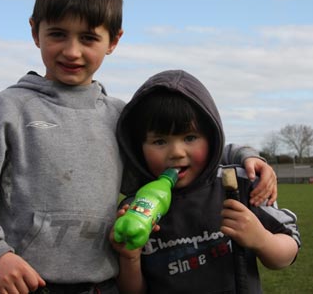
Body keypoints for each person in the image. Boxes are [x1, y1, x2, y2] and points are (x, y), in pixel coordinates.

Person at [0, 0, 277, 294]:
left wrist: (242, 155)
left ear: (114, 41)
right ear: (35, 31)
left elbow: (176, 155)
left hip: (106, 287)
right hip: (24, 286)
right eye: (58, 34)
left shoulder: (121, 119)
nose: (72, 51)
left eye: (88, 38)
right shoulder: (8, 111)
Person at [111, 70, 301, 294]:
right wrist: (129, 258)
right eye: (159, 141)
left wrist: (262, 240)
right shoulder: (137, 207)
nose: (176, 152)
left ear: (211, 138)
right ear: (138, 147)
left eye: (190, 138)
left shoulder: (237, 184)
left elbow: (287, 253)